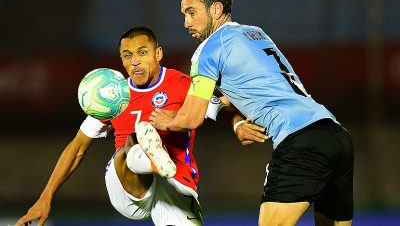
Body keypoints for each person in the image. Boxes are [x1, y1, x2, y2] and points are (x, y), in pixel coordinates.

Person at [150, 0, 355, 226]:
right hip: (335, 135)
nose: (186, 23)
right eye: (184, 15)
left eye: (191, 12)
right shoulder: (254, 33)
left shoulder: (208, 49)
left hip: (300, 141)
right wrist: (236, 123)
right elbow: (238, 92)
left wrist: (167, 122)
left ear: (216, 9)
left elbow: (191, 118)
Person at [15, 27, 266, 226]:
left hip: (175, 186)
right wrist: (45, 197)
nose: (135, 61)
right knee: (133, 142)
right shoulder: (112, 96)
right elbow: (77, 148)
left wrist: (238, 125)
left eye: (142, 52)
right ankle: (148, 155)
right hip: (128, 186)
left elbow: (216, 108)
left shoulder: (182, 84)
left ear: (158, 53)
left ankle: (155, 157)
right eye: (127, 55)